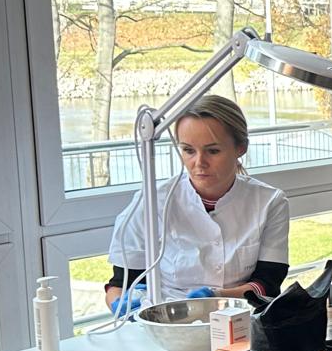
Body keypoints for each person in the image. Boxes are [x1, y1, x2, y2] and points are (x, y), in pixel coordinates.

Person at [105, 94, 289, 312]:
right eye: (188, 150)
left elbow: (267, 284)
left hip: (240, 316)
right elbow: (120, 284)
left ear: (240, 148)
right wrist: (120, 305)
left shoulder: (269, 202)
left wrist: (216, 297)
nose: (199, 162)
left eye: (213, 151)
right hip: (169, 318)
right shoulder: (152, 202)